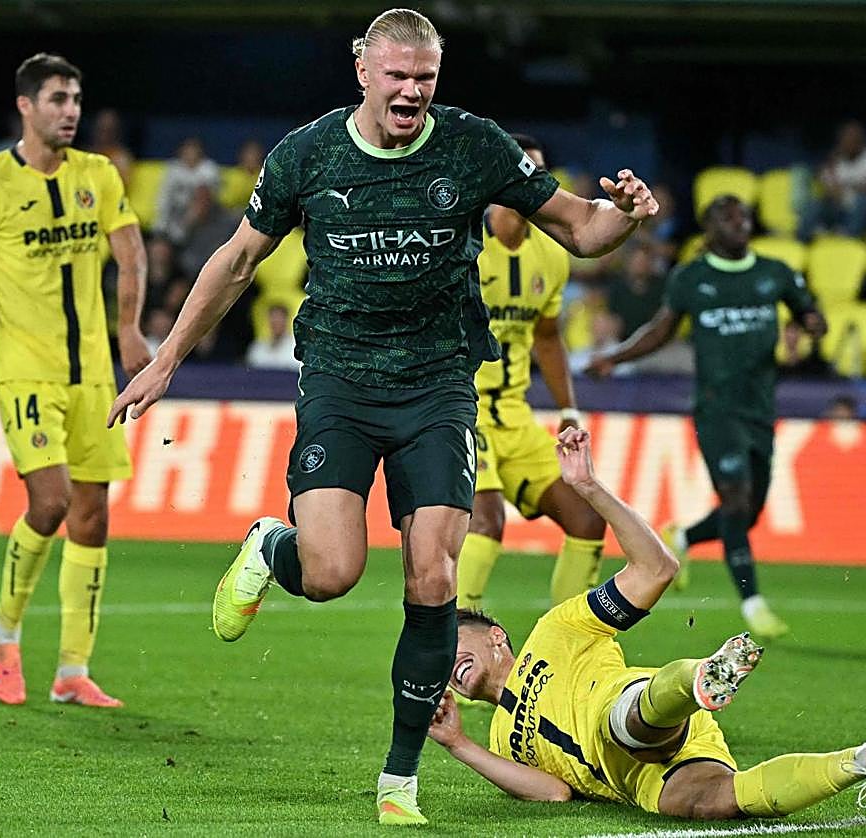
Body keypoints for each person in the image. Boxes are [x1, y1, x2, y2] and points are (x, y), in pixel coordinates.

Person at [108, 7, 657, 826]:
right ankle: (271, 545)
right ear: (362, 68)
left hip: (438, 386)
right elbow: (237, 261)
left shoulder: (473, 144)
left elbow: (581, 228)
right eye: (397, 75)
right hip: (339, 381)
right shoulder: (309, 153)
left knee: (434, 569)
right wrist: (166, 358)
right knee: (332, 572)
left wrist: (629, 216)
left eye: (424, 78)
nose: (410, 91)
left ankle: (399, 778)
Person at [428, 426, 866, 820]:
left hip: (641, 707)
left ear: (495, 635)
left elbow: (657, 569)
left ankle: (699, 677)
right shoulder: (499, 739)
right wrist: (458, 743)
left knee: (622, 722)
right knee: (717, 803)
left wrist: (588, 488)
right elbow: (555, 793)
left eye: (450, 643)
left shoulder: (556, 630)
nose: (447, 662)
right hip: (639, 783)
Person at [0, 53, 150, 709]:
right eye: (56, 99)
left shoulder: (98, 174)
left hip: (92, 376)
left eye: (75, 98)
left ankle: (72, 671)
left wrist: (129, 329)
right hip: (25, 371)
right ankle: (4, 635)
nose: (70, 110)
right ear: (26, 105)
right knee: (49, 504)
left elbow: (130, 251)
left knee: (93, 517)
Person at [587, 195, 827, 639]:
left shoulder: (774, 274)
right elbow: (661, 331)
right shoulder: (692, 279)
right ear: (709, 228)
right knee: (735, 501)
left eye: (744, 216)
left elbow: (812, 314)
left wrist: (809, 325)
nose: (740, 223)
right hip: (716, 409)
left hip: (760, 409)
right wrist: (614, 358)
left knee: (747, 512)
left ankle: (682, 539)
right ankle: (754, 604)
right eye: (728, 217)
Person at [457, 133, 606, 612]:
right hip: (462, 411)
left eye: (537, 175)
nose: (529, 183)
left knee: (587, 520)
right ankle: (454, 647)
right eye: (520, 171)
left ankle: (568, 643)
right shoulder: (465, 242)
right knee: (485, 522)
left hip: (515, 419)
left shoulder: (551, 255)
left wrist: (567, 407)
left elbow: (546, 335)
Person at [797, 120, 866, 242]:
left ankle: (848, 242)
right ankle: (802, 240)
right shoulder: (837, 162)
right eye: (844, 139)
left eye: (853, 139)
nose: (847, 142)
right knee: (817, 204)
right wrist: (830, 170)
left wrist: (847, 188)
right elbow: (831, 194)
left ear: (860, 141)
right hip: (847, 214)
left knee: (864, 200)